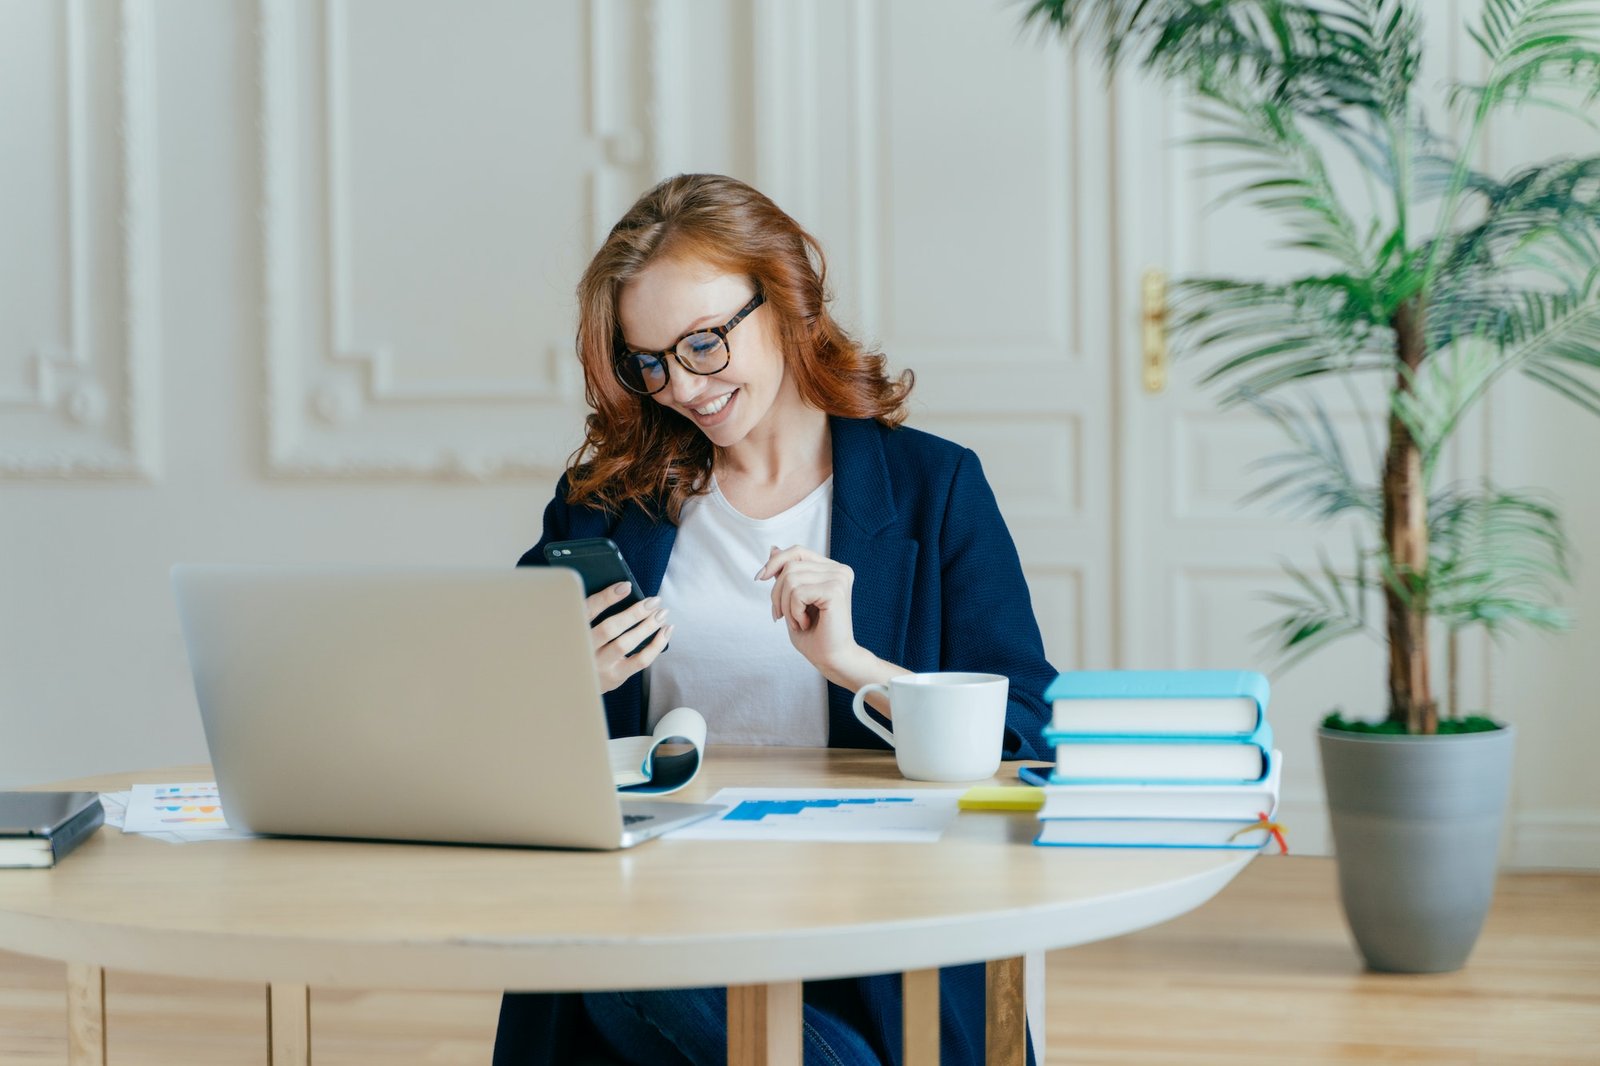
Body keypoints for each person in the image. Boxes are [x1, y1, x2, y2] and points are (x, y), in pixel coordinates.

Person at [494, 173, 1054, 1066]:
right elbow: (490, 720)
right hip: (660, 920)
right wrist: (569, 682)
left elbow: (1029, 729)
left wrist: (857, 665)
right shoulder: (604, 505)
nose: (683, 386)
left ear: (788, 301)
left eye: (705, 343)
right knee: (613, 953)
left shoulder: (933, 489)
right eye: (652, 361)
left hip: (872, 930)